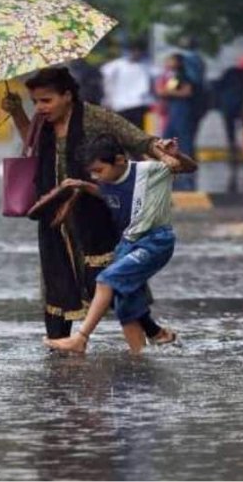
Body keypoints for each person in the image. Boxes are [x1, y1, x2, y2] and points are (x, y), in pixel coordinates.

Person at [0, 67, 182, 341]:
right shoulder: (41, 122)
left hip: (94, 209)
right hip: (55, 212)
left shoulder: (96, 118)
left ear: (67, 96)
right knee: (56, 278)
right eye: (35, 101)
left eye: (46, 100)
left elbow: (138, 139)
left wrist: (163, 151)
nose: (39, 107)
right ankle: (58, 344)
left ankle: (151, 332)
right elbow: (33, 145)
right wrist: (17, 113)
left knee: (109, 277)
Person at [43, 134, 197, 353]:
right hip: (127, 243)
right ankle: (140, 354)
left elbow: (189, 167)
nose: (97, 176)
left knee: (106, 279)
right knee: (125, 301)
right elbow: (108, 195)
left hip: (155, 242)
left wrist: (176, 155)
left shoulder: (149, 171)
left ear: (119, 161)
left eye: (99, 170)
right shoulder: (105, 181)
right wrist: (83, 186)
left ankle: (80, 338)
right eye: (92, 172)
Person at [156, 54, 196, 191]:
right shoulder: (169, 76)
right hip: (172, 112)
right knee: (168, 139)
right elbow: (162, 91)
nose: (167, 63)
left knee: (183, 140)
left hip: (182, 111)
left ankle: (186, 168)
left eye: (170, 60)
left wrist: (168, 93)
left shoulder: (182, 76)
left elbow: (186, 92)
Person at [100, 38, 155, 128]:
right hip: (121, 105)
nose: (136, 53)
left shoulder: (146, 66)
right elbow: (107, 81)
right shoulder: (116, 65)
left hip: (140, 104)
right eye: (134, 50)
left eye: (139, 51)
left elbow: (156, 80)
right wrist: (108, 100)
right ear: (129, 51)